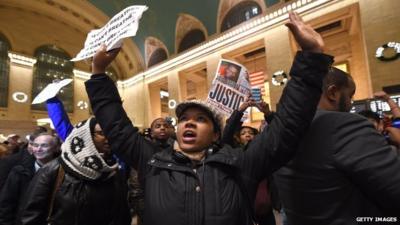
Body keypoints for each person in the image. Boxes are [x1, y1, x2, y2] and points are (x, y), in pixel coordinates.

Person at [84, 11, 332, 225]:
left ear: (216, 134)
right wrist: (98, 73)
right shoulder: (152, 162)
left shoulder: (239, 165)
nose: (189, 122)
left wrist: (311, 56)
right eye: (184, 119)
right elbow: (117, 126)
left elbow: (287, 127)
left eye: (200, 119)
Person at [275, 67, 400, 225]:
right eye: (350, 95)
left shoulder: (281, 131)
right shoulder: (344, 125)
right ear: (333, 92)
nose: (350, 103)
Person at [18, 118, 131, 225]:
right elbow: (30, 216)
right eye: (101, 133)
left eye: (110, 133)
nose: (108, 138)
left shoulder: (112, 171)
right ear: (86, 137)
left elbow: (122, 214)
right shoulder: (54, 169)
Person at [0, 133, 60, 225]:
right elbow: (6, 204)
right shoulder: (19, 171)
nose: (39, 149)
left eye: (44, 145)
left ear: (56, 148)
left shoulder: (61, 173)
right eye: (36, 145)